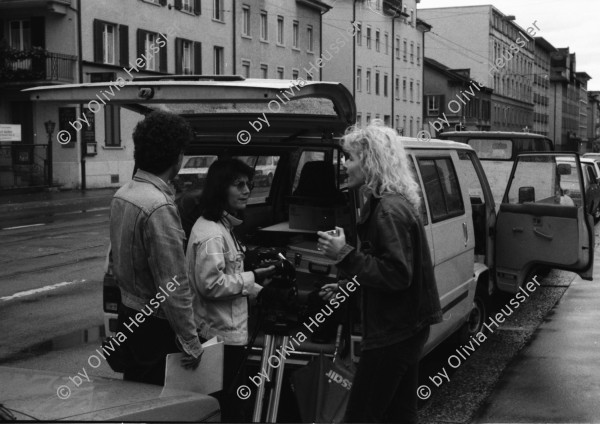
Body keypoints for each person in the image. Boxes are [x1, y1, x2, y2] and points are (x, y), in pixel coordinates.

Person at [317, 120, 443, 423]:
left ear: (370, 161)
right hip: (406, 327)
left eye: (351, 157)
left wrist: (344, 255)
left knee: (361, 416)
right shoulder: (390, 203)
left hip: (393, 332)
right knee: (399, 414)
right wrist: (350, 286)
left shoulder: (387, 209)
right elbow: (389, 269)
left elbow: (398, 274)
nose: (345, 165)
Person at [109, 111, 203, 385]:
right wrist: (190, 340)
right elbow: (173, 284)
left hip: (130, 314)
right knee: (161, 402)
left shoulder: (124, 193)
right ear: (177, 158)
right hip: (154, 325)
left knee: (135, 397)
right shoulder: (158, 206)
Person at [186, 158, 276, 422]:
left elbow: (230, 277)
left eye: (249, 184)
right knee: (225, 408)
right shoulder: (213, 233)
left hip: (225, 334)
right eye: (239, 185)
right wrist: (253, 277)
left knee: (227, 405)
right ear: (220, 188)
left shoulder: (222, 227)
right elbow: (210, 285)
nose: (247, 190)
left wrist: (260, 290)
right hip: (220, 337)